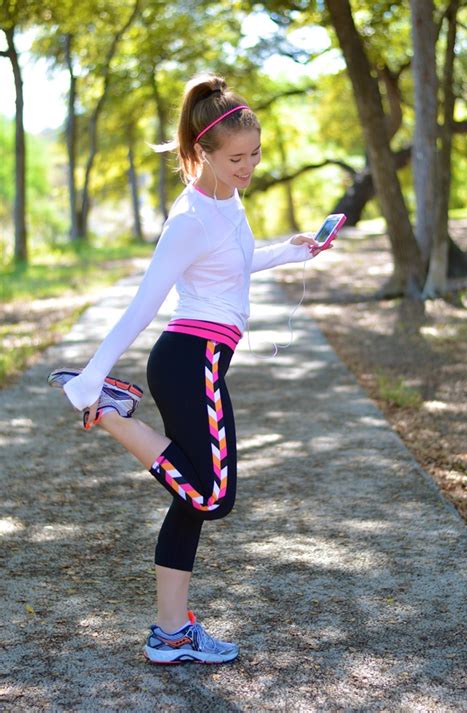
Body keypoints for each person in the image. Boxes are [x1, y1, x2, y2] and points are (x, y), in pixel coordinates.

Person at [48, 74, 329, 665]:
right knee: (213, 495)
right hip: (189, 361)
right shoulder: (189, 219)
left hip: (200, 361)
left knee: (196, 498)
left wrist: (293, 249)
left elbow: (236, 263)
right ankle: (117, 417)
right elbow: (145, 301)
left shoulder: (228, 198)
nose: (248, 166)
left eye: (255, 154)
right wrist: (91, 377)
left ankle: (171, 634)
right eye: (236, 157)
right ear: (204, 152)